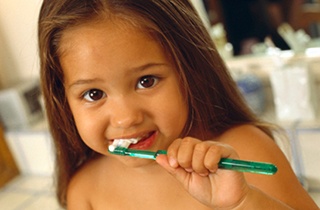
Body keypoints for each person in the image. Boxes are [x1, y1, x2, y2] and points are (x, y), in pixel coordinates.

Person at [38, 0, 318, 209]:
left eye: (146, 81)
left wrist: (244, 201)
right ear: (63, 102)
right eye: (93, 94)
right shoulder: (84, 192)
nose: (125, 118)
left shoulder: (242, 154)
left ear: (190, 72)